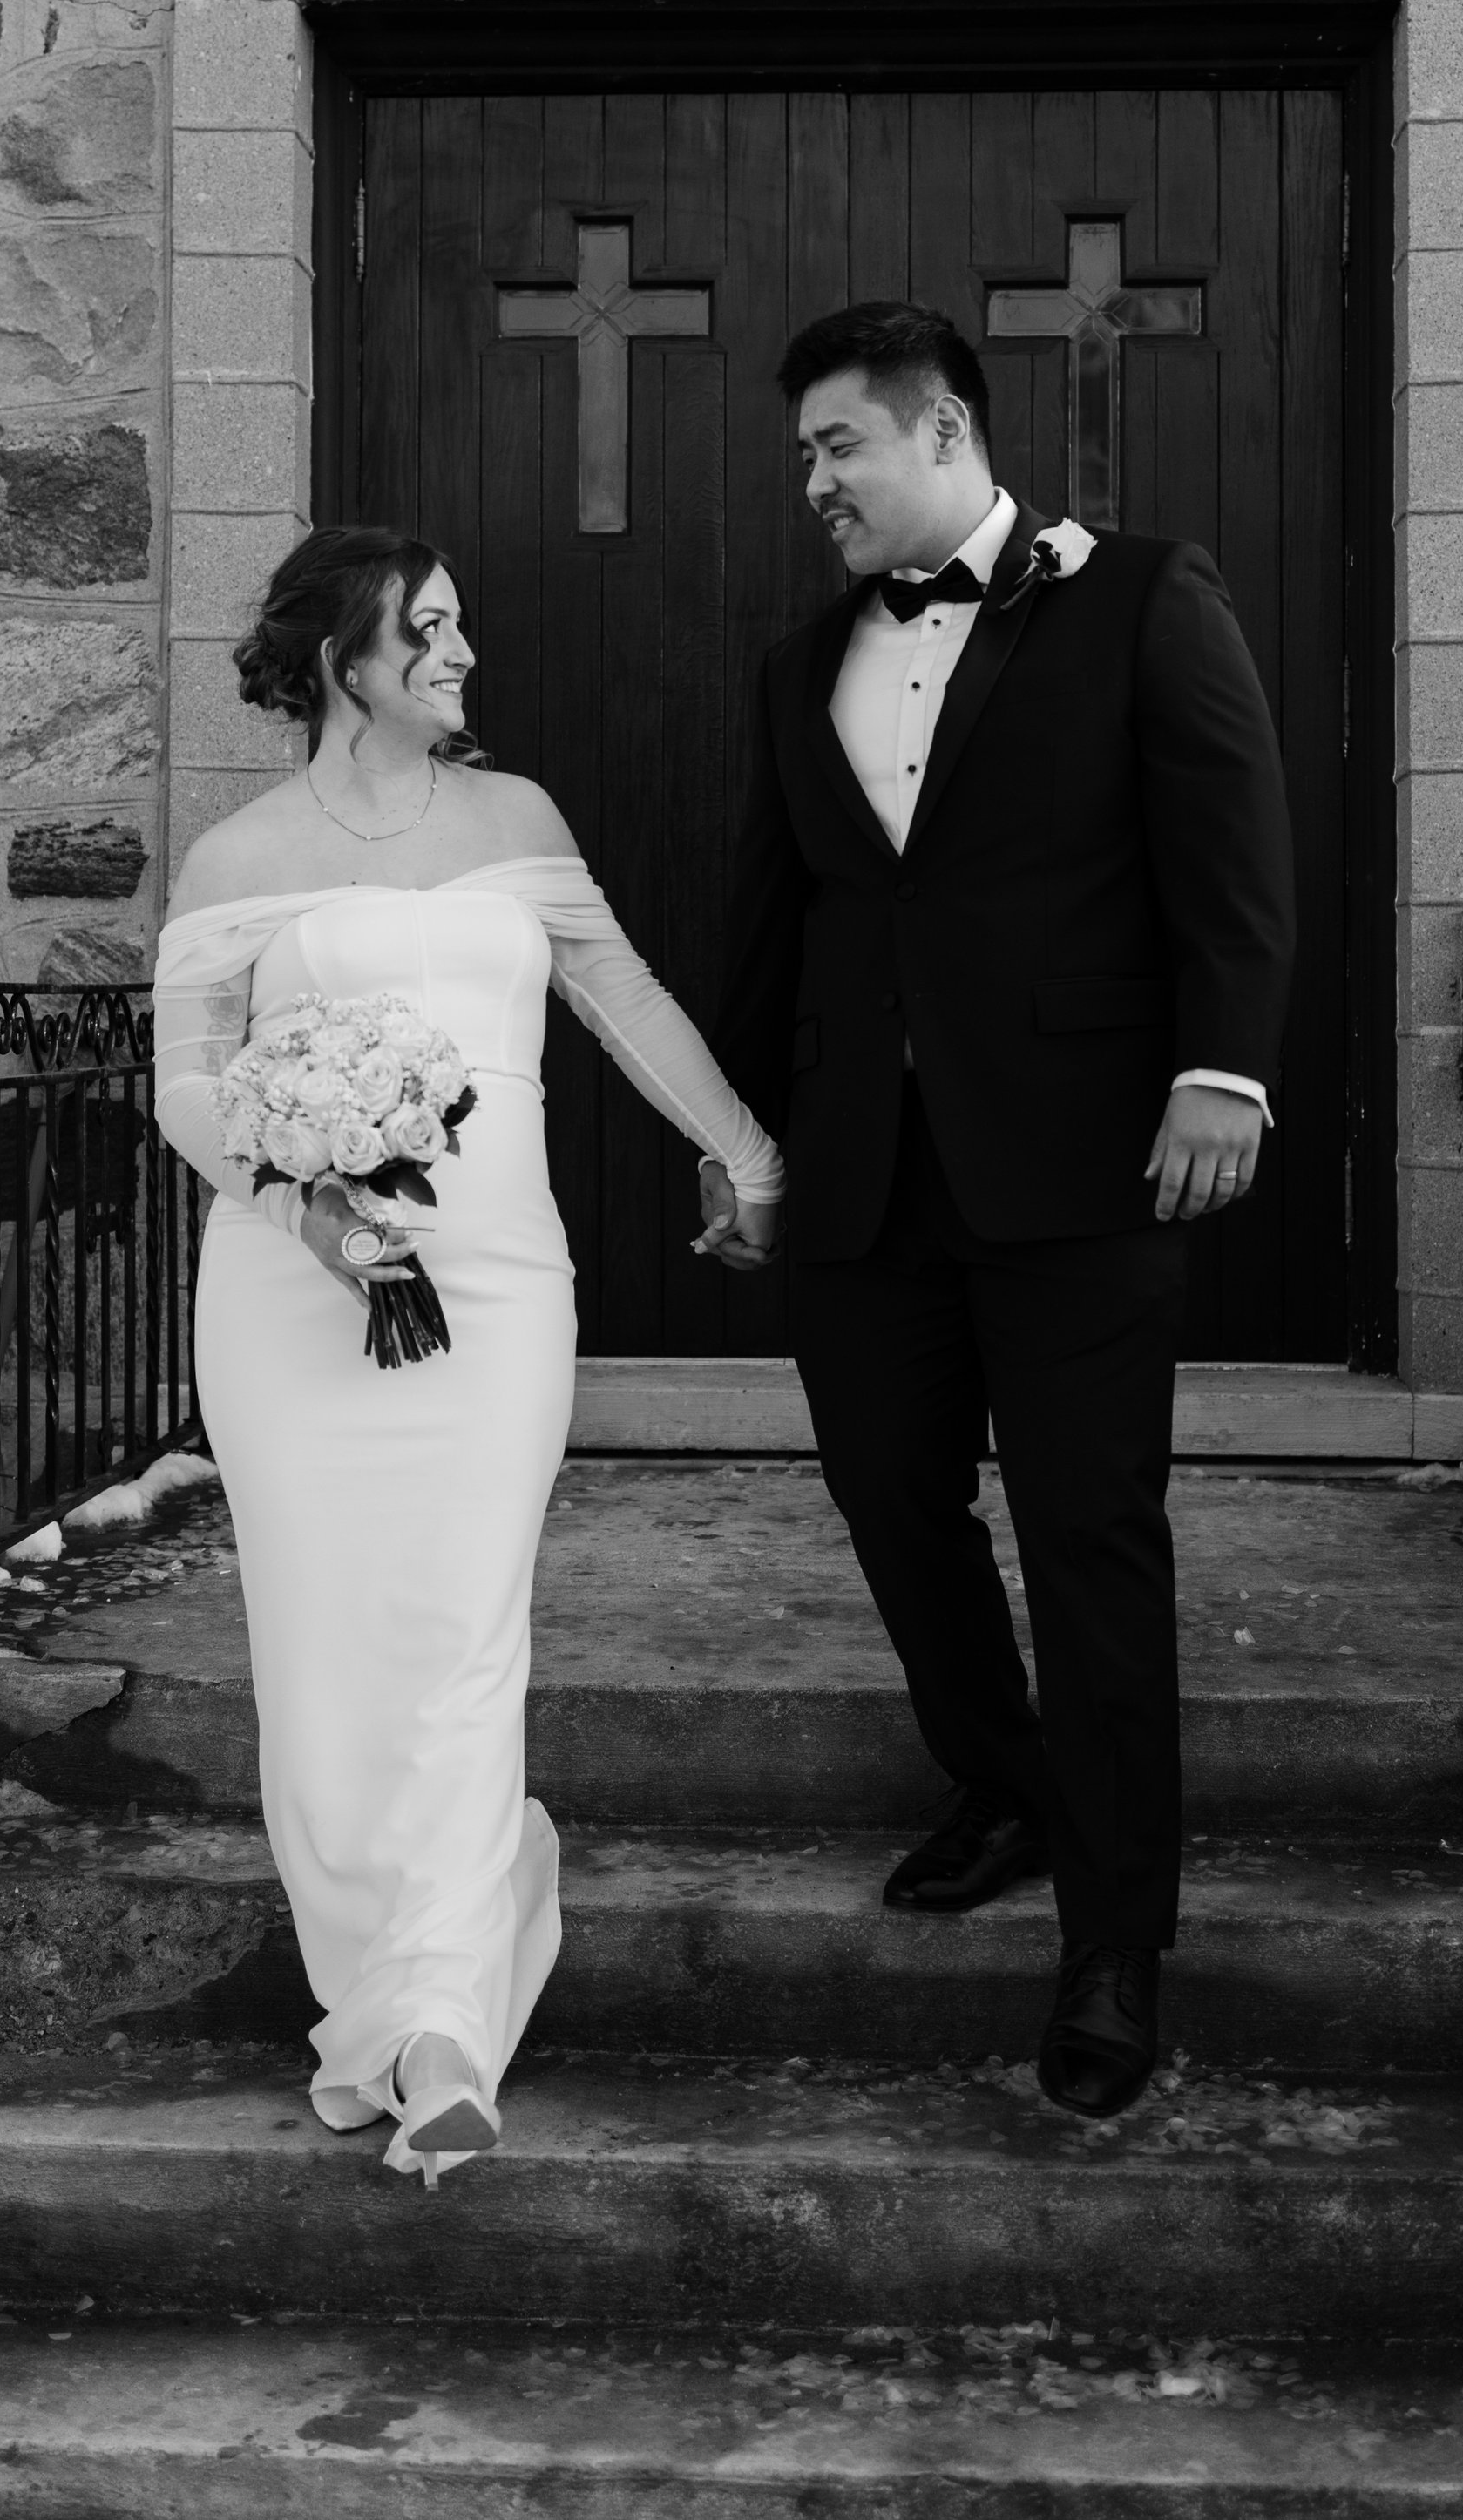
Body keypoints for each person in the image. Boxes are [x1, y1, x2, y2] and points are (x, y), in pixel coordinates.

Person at [708, 301, 1294, 2119]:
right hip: (861, 1186)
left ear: (939, 430)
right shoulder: (800, 657)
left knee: (1089, 1536)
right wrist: (741, 1143)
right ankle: (1010, 1780)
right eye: (805, 455)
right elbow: (772, 923)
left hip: (1076, 1164)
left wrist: (1223, 1066)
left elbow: (1231, 840)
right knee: (889, 1502)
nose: (810, 483)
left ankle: (1112, 1941)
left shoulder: (1139, 594)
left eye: (834, 448)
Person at [152, 526, 780, 2185]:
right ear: (347, 658)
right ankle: (374, 1999)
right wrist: (308, 1211)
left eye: (459, 627)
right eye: (429, 632)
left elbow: (622, 997)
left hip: (495, 1291)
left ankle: (438, 2016)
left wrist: (749, 1149)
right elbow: (190, 1088)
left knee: (460, 1625)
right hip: (296, 1303)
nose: (462, 656)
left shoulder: (520, 821)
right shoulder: (234, 858)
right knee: (322, 1651)